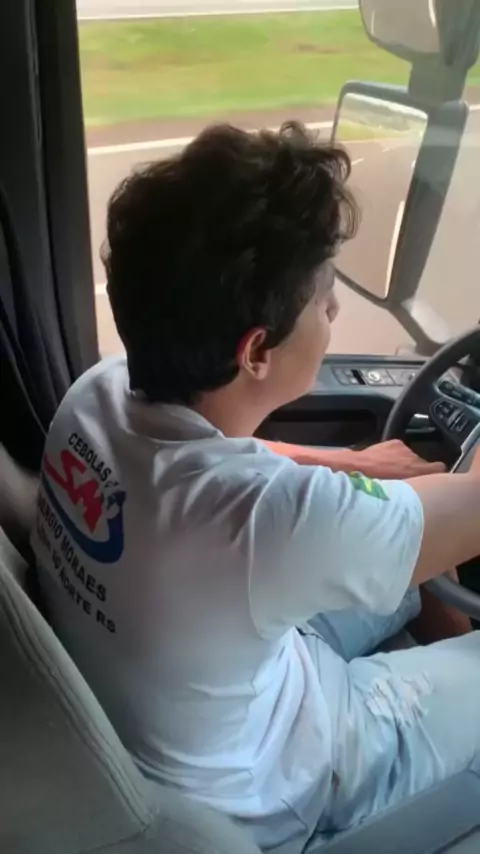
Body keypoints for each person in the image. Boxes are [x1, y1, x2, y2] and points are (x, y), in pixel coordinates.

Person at [31, 122, 480, 854]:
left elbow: (230, 457)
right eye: (324, 301)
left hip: (216, 685)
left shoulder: (95, 396)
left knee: (405, 572)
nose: (334, 314)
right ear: (257, 352)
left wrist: (355, 465)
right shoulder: (268, 523)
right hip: (286, 784)